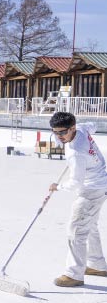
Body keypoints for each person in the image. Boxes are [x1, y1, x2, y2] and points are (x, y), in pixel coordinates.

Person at [49, 111, 107, 287]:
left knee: (76, 230)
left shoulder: (76, 152)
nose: (59, 136)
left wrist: (57, 187)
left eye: (63, 132)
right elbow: (93, 126)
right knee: (91, 226)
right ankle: (97, 265)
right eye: (55, 132)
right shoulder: (82, 128)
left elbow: (75, 182)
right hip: (100, 183)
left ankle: (74, 274)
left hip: (91, 189)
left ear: (72, 128)